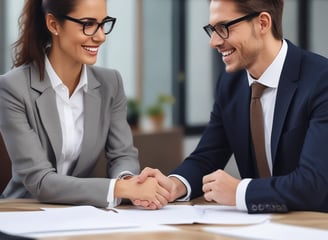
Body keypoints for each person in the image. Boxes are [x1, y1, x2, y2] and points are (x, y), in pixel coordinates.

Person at [135, 0, 328, 213]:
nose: (214, 41)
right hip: (259, 227)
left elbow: (313, 185)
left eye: (224, 28)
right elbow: (207, 156)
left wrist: (239, 192)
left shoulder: (321, 81)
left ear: (262, 23)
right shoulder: (231, 84)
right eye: (212, 30)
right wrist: (175, 185)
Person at [0, 0, 169, 209]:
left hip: (84, 212)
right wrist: (120, 189)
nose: (100, 36)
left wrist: (129, 181)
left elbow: (122, 155)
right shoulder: (12, 88)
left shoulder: (110, 83)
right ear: (53, 25)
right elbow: (40, 180)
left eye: (103, 23)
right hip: (25, 212)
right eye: (88, 24)